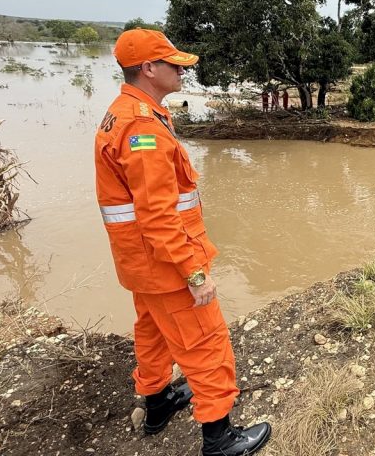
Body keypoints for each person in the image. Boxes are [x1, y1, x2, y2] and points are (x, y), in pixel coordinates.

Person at [95, 29, 272, 455]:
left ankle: (157, 405)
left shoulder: (128, 111)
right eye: (174, 64)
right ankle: (220, 438)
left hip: (141, 262)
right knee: (205, 343)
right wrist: (193, 273)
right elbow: (158, 214)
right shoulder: (143, 129)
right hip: (167, 264)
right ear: (149, 69)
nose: (182, 70)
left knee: (153, 332)